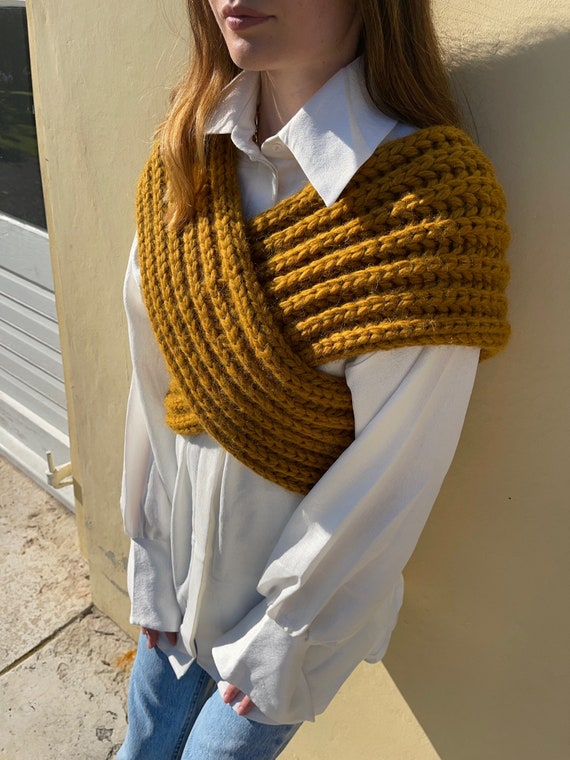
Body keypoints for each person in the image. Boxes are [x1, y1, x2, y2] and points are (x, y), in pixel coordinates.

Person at [117, 1, 510, 758]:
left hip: (286, 628)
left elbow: (392, 478)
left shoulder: (429, 211)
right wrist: (151, 561)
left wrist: (284, 638)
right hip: (172, 590)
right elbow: (153, 384)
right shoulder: (183, 157)